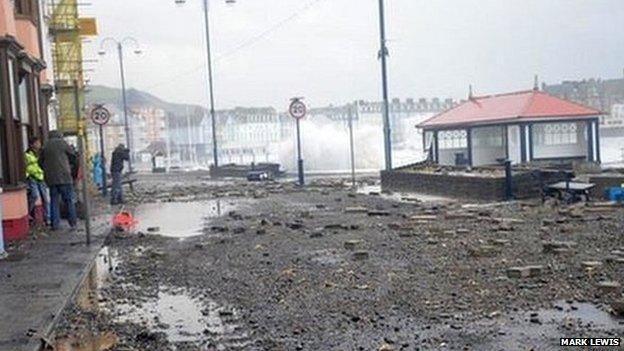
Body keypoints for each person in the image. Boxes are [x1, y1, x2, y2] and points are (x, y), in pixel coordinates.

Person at [39, 130, 77, 230]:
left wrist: (47, 170)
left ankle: (55, 224)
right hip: (65, 177)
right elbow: (73, 157)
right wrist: (71, 168)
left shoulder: (45, 146)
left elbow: (40, 162)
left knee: (54, 201)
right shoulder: (63, 143)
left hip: (51, 179)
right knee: (68, 200)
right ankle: (72, 222)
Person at [25, 137, 50, 225]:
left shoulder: (42, 153)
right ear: (32, 145)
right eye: (37, 143)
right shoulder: (27, 154)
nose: (39, 144)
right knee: (34, 196)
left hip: (41, 177)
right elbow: (25, 166)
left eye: (39, 143)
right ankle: (27, 213)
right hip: (32, 177)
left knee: (45, 198)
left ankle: (47, 218)